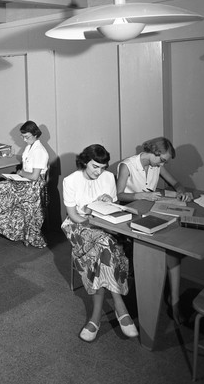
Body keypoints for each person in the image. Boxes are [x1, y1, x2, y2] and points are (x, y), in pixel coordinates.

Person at [62, 144, 138, 342]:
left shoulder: (107, 177)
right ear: (85, 162)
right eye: (95, 166)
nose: (99, 171)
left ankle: (95, 318)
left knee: (103, 249)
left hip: (103, 222)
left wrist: (107, 202)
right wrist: (89, 214)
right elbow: (72, 215)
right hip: (78, 224)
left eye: (103, 167)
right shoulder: (71, 180)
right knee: (105, 243)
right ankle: (120, 306)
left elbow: (113, 207)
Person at [116, 137, 192, 324]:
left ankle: (174, 300)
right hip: (132, 214)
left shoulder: (157, 164)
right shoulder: (127, 165)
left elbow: (176, 183)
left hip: (151, 211)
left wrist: (183, 190)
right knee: (165, 247)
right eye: (162, 160)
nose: (163, 163)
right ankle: (157, 300)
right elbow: (118, 194)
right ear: (153, 153)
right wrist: (141, 195)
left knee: (172, 248)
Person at [0, 121, 48, 247]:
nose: (24, 140)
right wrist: (20, 174)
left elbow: (34, 176)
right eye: (22, 137)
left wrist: (21, 173)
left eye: (26, 137)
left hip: (33, 186)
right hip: (25, 182)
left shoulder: (39, 151)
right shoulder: (30, 147)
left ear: (35, 135)